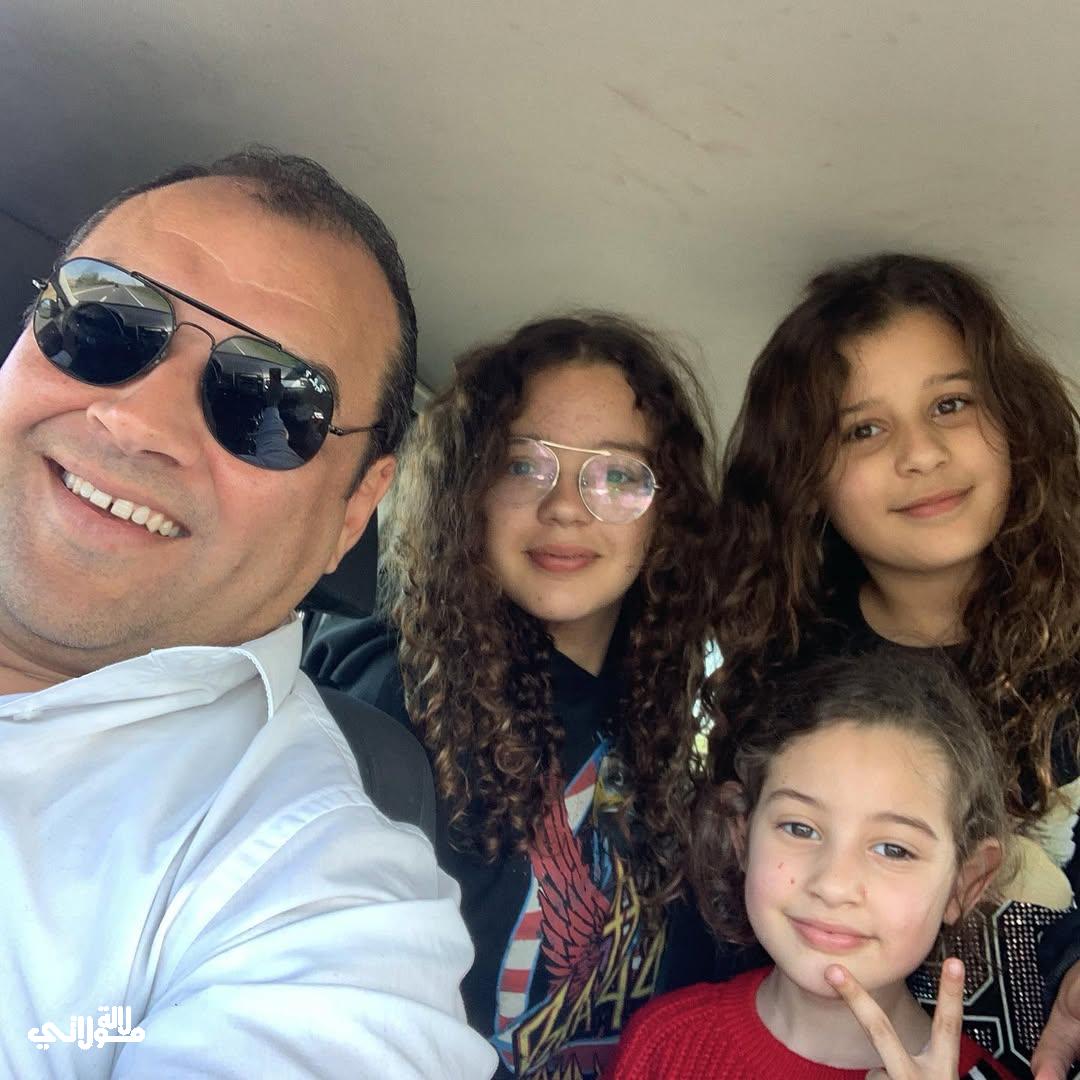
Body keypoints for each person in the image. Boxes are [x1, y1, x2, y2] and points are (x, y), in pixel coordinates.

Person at [0, 147, 496, 1078]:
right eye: (103, 320)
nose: (138, 422)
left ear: (355, 509)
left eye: (269, 402)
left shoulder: (315, 879)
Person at [306, 313, 729, 1078]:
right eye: (524, 464)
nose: (566, 505)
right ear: (468, 493)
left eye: (619, 475)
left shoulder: (666, 734)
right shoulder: (392, 706)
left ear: (666, 519)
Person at [708, 253, 1080, 1079]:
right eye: (863, 430)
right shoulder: (786, 678)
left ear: (1015, 419)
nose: (921, 453)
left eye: (950, 404)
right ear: (805, 476)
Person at [612, 651, 1018, 1079]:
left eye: (894, 850)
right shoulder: (663, 1044)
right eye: (799, 828)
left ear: (964, 883)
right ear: (742, 835)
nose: (833, 885)